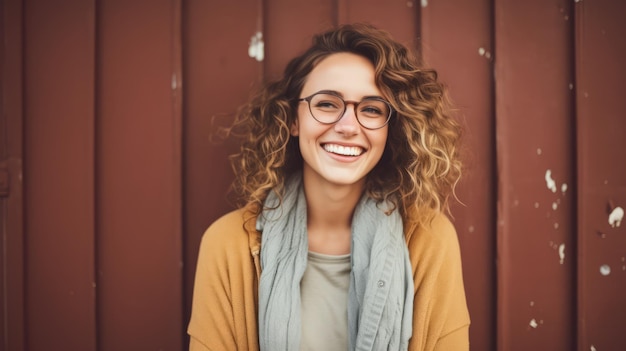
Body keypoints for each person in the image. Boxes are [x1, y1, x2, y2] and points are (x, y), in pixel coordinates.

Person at [187, 23, 470, 351]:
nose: (348, 126)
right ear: (293, 120)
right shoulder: (228, 243)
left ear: (389, 130)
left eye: (371, 109)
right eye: (326, 104)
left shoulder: (429, 238)